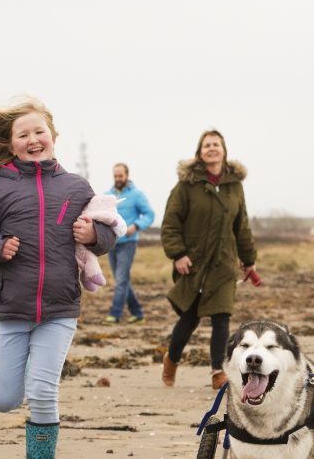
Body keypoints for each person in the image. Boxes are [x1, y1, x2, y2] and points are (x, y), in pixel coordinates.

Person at [0, 99, 117, 459]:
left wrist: (92, 235)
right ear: (11, 146)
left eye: (38, 132)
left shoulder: (77, 188)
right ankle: (20, 378)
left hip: (60, 309)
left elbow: (110, 235)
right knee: (3, 400)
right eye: (22, 135)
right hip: (11, 308)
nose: (32, 139)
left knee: (43, 391)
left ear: (53, 137)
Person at [161, 129, 257, 390]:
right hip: (194, 263)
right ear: (200, 152)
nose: (212, 148)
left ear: (224, 150)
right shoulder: (187, 186)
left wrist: (248, 260)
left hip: (224, 264)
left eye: (216, 144)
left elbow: (242, 225)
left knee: (221, 317)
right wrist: (178, 254)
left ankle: (218, 371)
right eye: (207, 145)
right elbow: (170, 224)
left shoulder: (234, 186)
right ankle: (171, 358)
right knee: (190, 317)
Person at [103, 163, 154, 324]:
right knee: (123, 280)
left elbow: (149, 214)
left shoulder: (137, 195)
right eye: (115, 176)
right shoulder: (107, 195)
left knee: (121, 280)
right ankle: (137, 313)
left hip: (128, 243)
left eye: (121, 176)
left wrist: (137, 226)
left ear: (127, 175)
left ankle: (115, 314)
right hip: (112, 243)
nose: (118, 179)